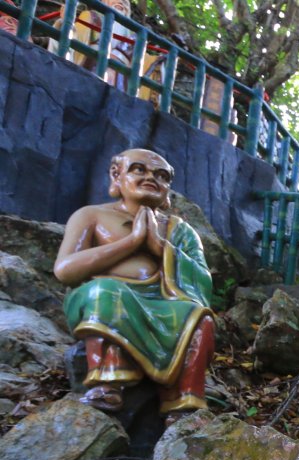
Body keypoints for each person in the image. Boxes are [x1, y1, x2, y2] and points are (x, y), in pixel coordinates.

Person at [55, 148, 215, 418]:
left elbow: (202, 283)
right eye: (139, 169)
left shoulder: (180, 231)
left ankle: (183, 405)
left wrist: (158, 246)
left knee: (201, 319)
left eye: (161, 176)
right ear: (117, 176)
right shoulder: (91, 216)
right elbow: (65, 270)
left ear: (167, 190)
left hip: (162, 301)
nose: (151, 177)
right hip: (104, 295)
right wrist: (132, 242)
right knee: (108, 292)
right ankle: (108, 382)